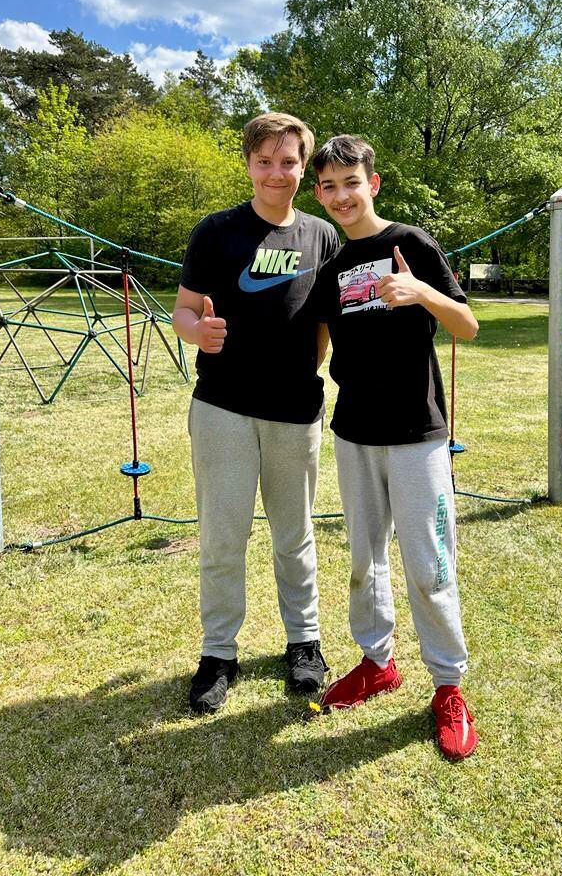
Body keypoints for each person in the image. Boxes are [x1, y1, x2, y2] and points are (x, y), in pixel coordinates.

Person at [311, 134, 480, 760]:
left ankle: (448, 687)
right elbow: (317, 347)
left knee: (430, 565)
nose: (341, 196)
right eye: (329, 186)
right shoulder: (331, 269)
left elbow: (468, 325)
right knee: (365, 559)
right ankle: (377, 663)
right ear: (319, 193)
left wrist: (422, 293)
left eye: (351, 183)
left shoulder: (412, 244)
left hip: (416, 434)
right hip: (354, 433)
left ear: (372, 184)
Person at [172, 112, 339, 713]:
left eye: (288, 161)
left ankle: (304, 643)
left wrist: (309, 368)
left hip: (295, 411)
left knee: (295, 534)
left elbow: (324, 325)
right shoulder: (216, 231)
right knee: (224, 536)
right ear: (248, 164)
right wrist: (198, 333)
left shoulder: (323, 237)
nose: (276, 173)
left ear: (304, 168)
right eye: (264, 160)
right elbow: (183, 309)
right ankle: (219, 653)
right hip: (223, 409)